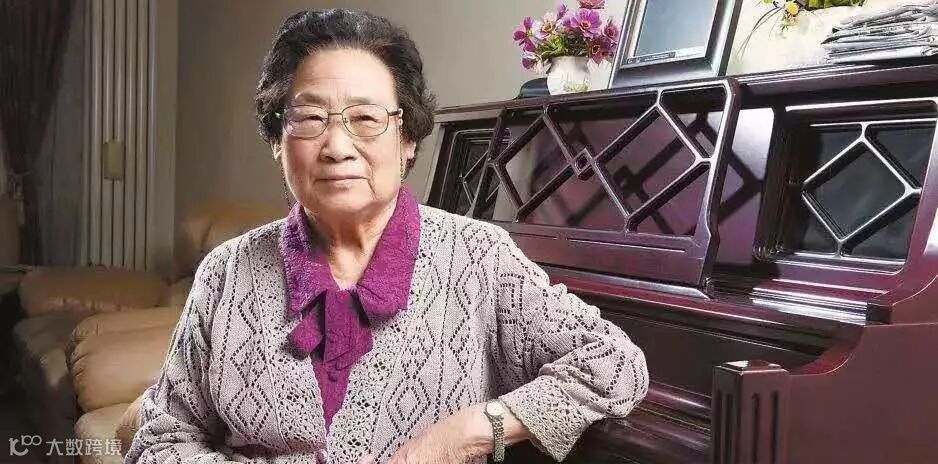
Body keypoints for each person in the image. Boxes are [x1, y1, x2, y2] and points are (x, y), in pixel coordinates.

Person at [124, 9, 648, 464]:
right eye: (309, 118)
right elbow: (159, 441)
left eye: (366, 118)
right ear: (278, 141)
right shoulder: (227, 271)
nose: (337, 146)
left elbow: (613, 363)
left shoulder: (478, 258)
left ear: (408, 139)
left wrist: (469, 432)